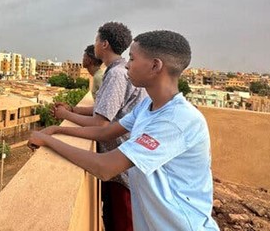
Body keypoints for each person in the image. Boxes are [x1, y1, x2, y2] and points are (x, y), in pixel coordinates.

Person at [28, 30, 219, 230]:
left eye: (133, 58)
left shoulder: (177, 121)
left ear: (155, 65)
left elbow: (105, 167)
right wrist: (56, 131)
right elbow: (104, 132)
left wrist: (48, 141)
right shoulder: (147, 107)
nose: (127, 64)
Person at [53, 22, 147, 231]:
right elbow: (104, 109)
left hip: (120, 166)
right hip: (120, 162)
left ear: (104, 44)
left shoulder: (116, 74)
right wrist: (75, 110)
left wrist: (64, 116)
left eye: (96, 40)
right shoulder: (117, 70)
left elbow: (101, 123)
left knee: (121, 223)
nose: (94, 44)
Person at [54, 44, 105, 116]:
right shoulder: (98, 75)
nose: (82, 59)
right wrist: (70, 109)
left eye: (84, 56)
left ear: (89, 60)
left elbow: (104, 110)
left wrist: (66, 113)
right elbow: (98, 109)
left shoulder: (98, 78)